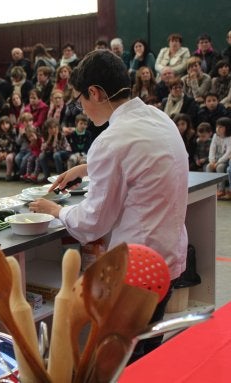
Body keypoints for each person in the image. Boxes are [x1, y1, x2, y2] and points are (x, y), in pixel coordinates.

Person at [29, 49, 189, 361]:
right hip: (166, 260)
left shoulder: (109, 141)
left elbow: (93, 222)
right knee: (147, 350)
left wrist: (56, 210)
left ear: (95, 92)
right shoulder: (158, 117)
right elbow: (142, 158)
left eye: (80, 100)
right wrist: (85, 168)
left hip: (135, 271)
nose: (82, 109)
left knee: (119, 359)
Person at [206, 117, 231, 199]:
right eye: (217, 126)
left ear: (227, 128)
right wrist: (212, 160)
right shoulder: (215, 136)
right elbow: (212, 149)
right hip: (216, 159)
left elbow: (228, 153)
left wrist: (218, 162)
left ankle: (221, 189)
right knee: (208, 167)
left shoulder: (229, 138)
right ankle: (209, 189)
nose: (218, 129)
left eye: (221, 127)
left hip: (225, 160)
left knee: (220, 167)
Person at [0, 116, 16, 181]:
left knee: (9, 158)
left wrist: (6, 153)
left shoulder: (12, 132)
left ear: (9, 124)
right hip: (0, 151)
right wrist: (0, 152)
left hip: (11, 151)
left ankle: (8, 174)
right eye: (2, 124)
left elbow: (13, 144)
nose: (5, 126)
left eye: (6, 123)